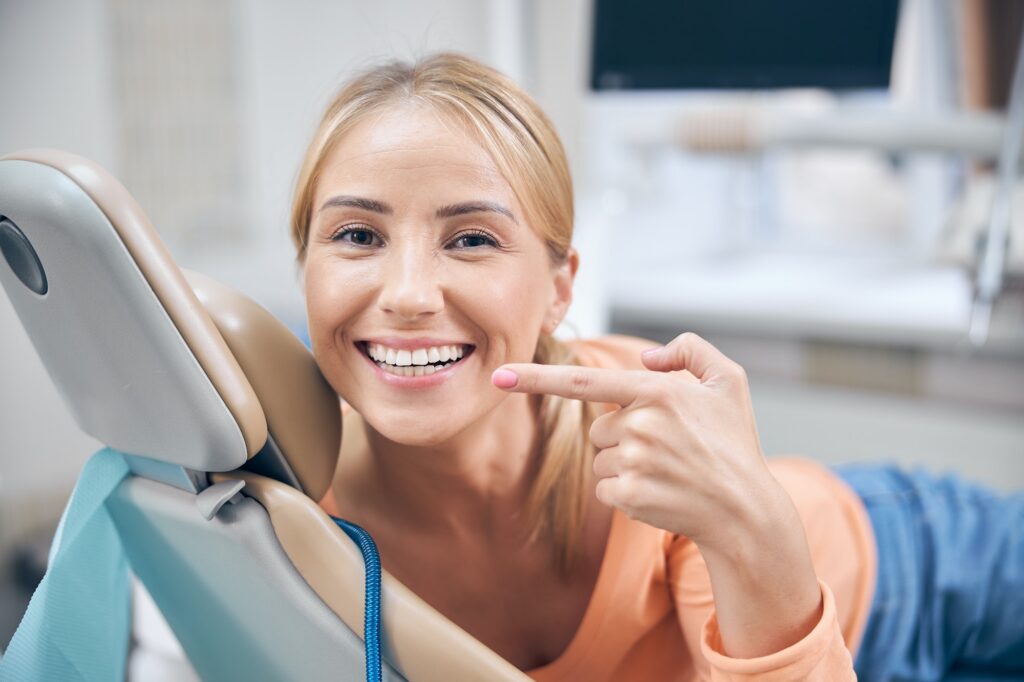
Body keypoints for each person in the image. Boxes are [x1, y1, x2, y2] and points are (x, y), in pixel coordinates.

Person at [292, 53, 1024, 681]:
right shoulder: (290, 510)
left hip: (910, 569)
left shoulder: (645, 443)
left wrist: (742, 516)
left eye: (472, 240)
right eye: (358, 235)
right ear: (305, 271)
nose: (411, 296)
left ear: (559, 289)